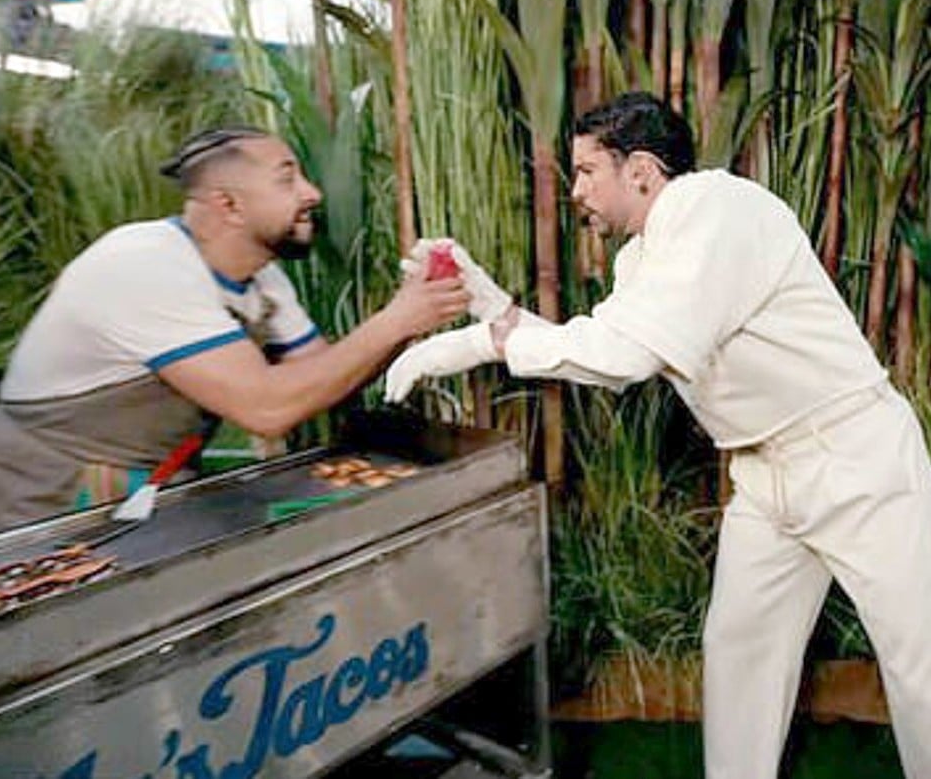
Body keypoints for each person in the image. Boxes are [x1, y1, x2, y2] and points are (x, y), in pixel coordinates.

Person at [385, 92, 931, 779]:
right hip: (766, 474)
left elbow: (624, 356)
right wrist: (491, 307)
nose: (576, 191)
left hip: (854, 458)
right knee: (739, 652)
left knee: (919, 661)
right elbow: (601, 349)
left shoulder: (715, 209)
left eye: (588, 171)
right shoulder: (643, 258)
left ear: (640, 170)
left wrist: (472, 345)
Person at [0, 127, 468, 540]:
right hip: (44, 495)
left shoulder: (261, 279)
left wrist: (412, 316)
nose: (312, 193)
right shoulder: (145, 265)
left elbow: (322, 377)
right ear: (228, 205)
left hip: (148, 485)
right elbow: (267, 410)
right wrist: (396, 319)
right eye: (287, 180)